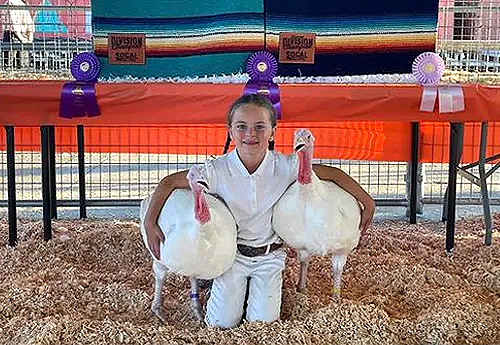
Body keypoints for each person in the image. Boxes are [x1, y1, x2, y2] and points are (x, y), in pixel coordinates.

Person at [143, 94, 375, 328]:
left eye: (260, 127)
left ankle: (254, 293)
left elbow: (332, 174)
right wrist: (150, 222)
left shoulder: (286, 166)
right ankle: (226, 290)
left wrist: (367, 201)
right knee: (221, 323)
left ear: (273, 132)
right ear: (231, 132)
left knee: (261, 324)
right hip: (231, 257)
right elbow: (168, 183)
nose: (250, 134)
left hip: (270, 257)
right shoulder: (216, 170)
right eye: (241, 127)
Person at [2, 0, 34, 68]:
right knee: (23, 64)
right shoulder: (15, 3)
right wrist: (29, 38)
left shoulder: (13, 3)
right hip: (17, 35)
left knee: (9, 65)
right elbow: (29, 24)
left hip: (15, 35)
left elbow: (13, 24)